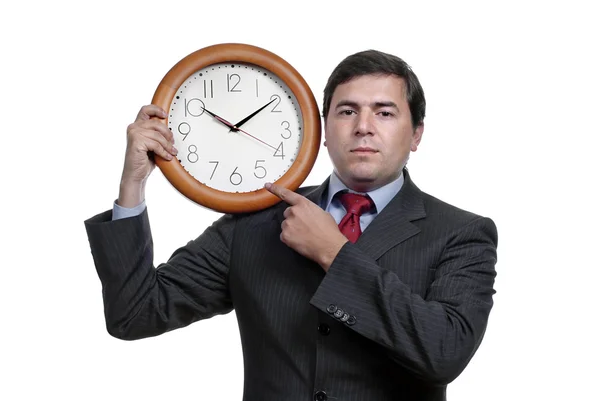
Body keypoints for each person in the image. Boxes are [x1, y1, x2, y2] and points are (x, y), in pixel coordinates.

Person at [84, 49, 497, 401]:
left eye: (384, 112)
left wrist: (334, 253)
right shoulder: (255, 219)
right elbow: (134, 314)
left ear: (416, 135)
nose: (363, 126)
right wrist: (132, 185)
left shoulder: (461, 233)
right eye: (347, 111)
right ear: (322, 128)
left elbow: (445, 352)